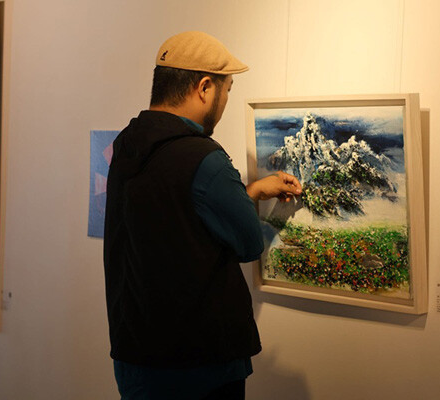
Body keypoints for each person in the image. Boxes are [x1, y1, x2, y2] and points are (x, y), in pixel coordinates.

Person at [103, 31, 301, 400]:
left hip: (136, 360)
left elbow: (176, 219)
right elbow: (248, 243)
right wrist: (246, 198)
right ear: (205, 88)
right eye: (228, 90)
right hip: (200, 367)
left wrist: (250, 191)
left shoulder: (127, 145)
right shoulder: (203, 157)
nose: (225, 102)